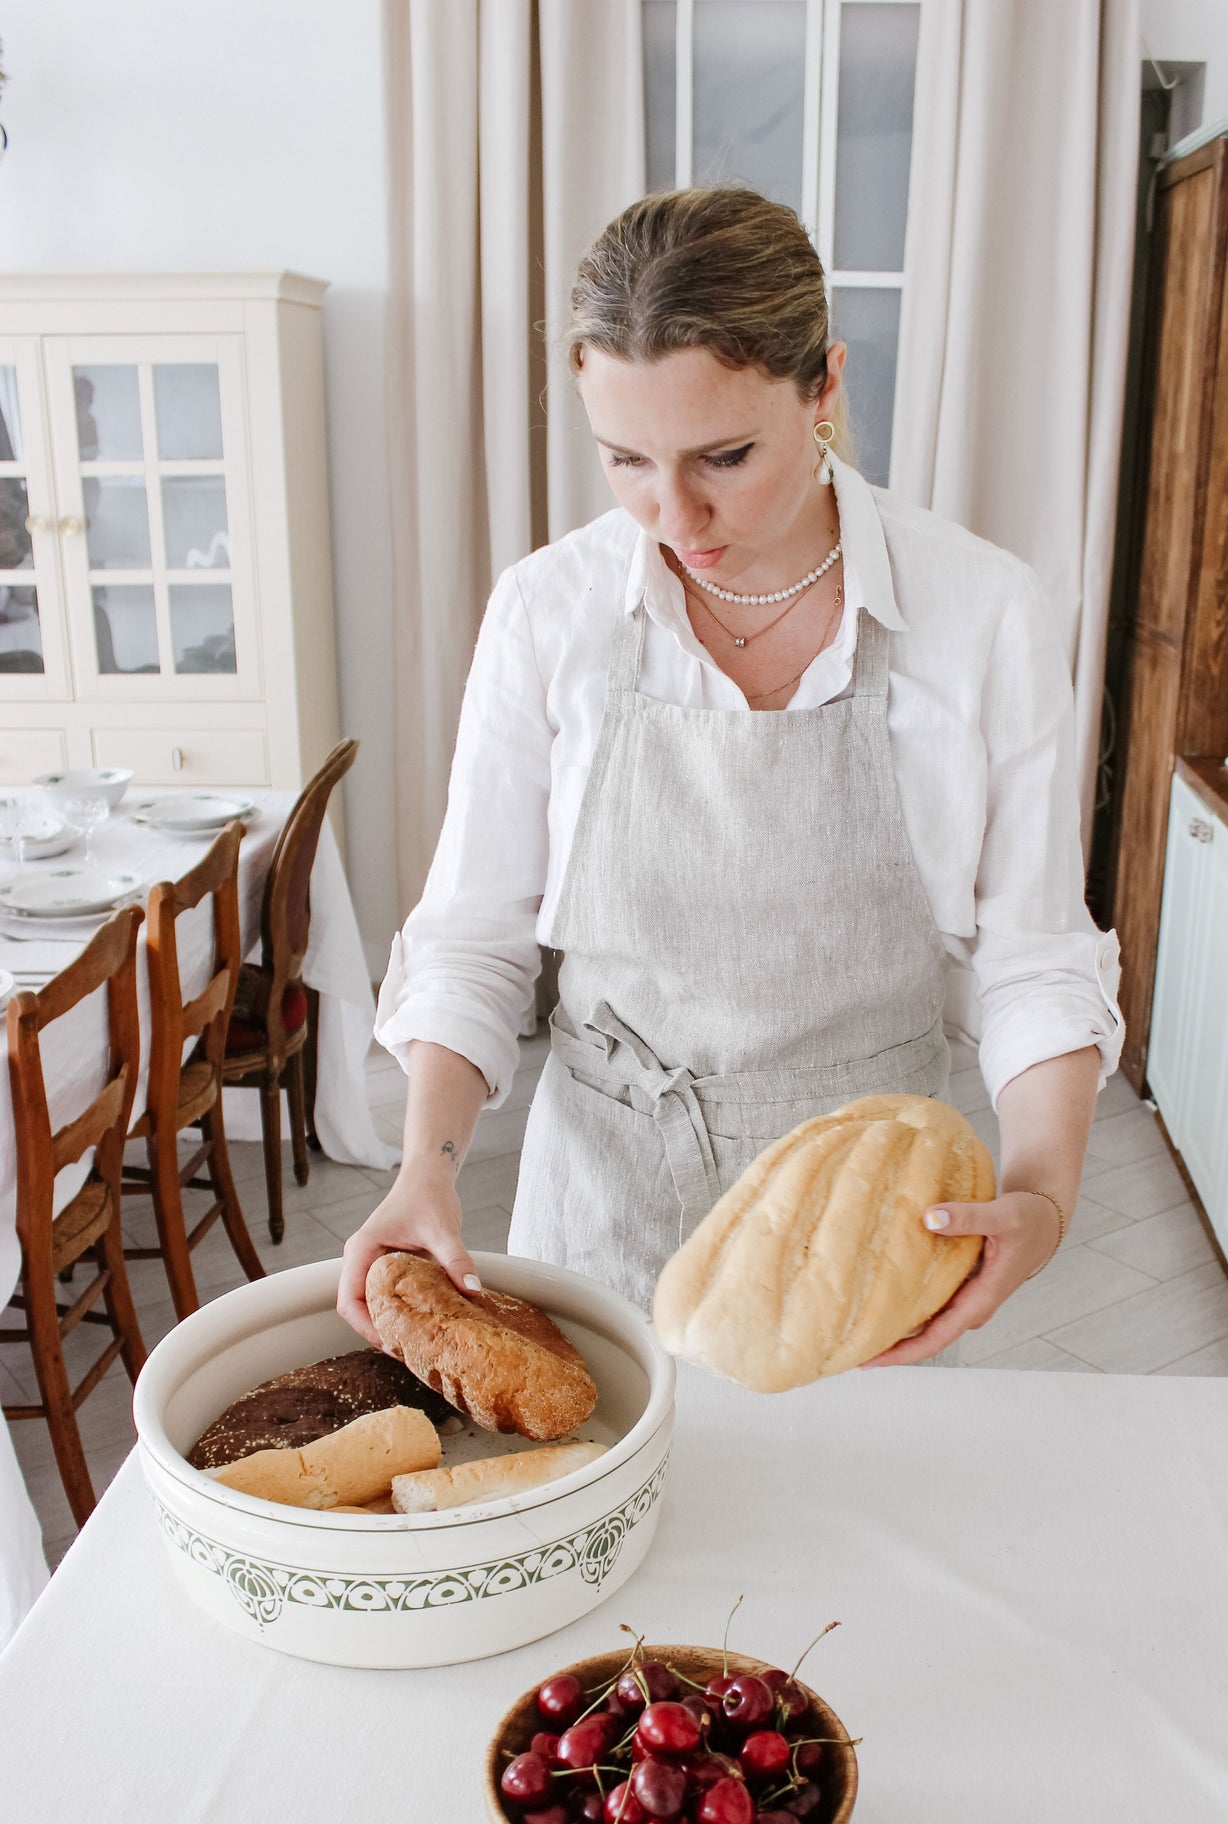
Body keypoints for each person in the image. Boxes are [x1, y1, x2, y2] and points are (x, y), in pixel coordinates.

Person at [339, 186, 1122, 1366]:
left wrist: (1042, 1197)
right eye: (625, 461)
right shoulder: (548, 612)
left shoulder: (982, 615)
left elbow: (1032, 959)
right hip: (597, 1208)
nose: (675, 514)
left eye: (725, 456)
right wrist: (424, 1169)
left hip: (866, 1233)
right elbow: (472, 938)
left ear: (823, 387)